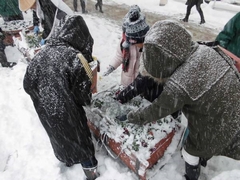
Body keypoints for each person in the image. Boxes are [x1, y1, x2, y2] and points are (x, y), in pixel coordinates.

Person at [124, 20, 240, 180]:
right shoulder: (204, 49)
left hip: (219, 122)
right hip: (233, 105)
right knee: (206, 140)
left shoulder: (180, 83)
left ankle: (191, 175)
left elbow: (157, 110)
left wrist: (132, 117)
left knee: (191, 151)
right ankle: (204, 156)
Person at [23, 15, 99, 180]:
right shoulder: (74, 58)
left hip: (46, 111)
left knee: (58, 138)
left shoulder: (41, 55)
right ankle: (91, 172)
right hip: (68, 113)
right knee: (81, 142)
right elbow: (82, 97)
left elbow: (27, 85)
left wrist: (43, 98)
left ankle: (67, 162)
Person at [103, 5, 149, 87]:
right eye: (132, 42)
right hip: (126, 82)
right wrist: (112, 67)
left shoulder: (149, 48)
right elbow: (119, 57)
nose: (134, 44)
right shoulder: (124, 43)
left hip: (140, 85)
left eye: (136, 42)